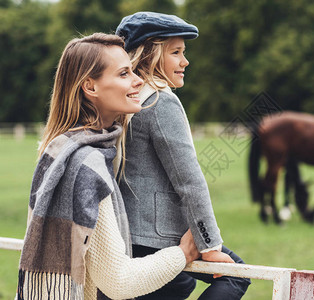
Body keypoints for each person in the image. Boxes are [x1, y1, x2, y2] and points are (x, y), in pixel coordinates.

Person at [16, 33, 201, 300]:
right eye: (124, 74)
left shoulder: (59, 148)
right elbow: (118, 281)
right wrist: (183, 253)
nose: (138, 80)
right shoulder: (86, 162)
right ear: (90, 87)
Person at [115, 12, 251, 299]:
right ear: (150, 54)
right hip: (159, 241)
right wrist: (210, 247)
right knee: (237, 276)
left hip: (123, 236)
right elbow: (189, 180)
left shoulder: (120, 101)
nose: (185, 61)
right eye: (176, 52)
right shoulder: (161, 102)